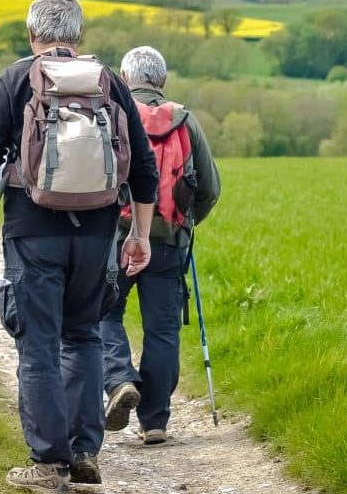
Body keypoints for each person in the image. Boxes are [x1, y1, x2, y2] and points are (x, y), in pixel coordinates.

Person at [0, 0, 158, 492]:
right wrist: (141, 235)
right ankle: (85, 452)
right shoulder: (109, 81)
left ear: (32, 33)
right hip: (98, 231)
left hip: (33, 230)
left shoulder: (16, 79)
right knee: (84, 335)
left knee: (38, 344)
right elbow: (144, 167)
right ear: (78, 36)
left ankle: (47, 463)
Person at [100, 46, 221, 446]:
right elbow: (210, 188)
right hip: (170, 242)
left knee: (103, 314)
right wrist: (184, 225)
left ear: (123, 76)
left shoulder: (111, 114)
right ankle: (155, 421)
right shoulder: (185, 121)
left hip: (116, 239)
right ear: (162, 81)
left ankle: (119, 380)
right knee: (163, 331)